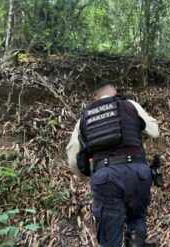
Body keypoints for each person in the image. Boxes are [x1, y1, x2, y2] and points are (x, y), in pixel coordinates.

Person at [66, 79, 159, 247]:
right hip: (137, 172)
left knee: (110, 237)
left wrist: (85, 177)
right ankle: (136, 242)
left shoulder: (85, 117)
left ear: (96, 96)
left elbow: (73, 154)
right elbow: (154, 132)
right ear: (114, 92)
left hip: (105, 176)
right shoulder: (129, 105)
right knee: (136, 217)